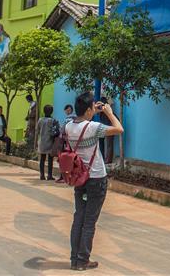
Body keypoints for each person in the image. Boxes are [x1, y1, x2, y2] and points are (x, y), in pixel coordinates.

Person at [65, 92, 123, 271]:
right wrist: (109, 112)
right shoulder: (94, 127)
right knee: (90, 221)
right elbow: (119, 129)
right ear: (89, 109)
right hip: (96, 178)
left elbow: (82, 122)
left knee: (79, 218)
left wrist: (92, 111)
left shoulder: (68, 126)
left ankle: (75, 259)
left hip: (79, 178)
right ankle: (83, 260)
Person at [35, 104, 58, 181]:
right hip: (50, 141)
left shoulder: (40, 120)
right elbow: (56, 131)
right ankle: (49, 175)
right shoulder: (53, 120)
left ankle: (42, 175)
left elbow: (37, 131)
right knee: (50, 159)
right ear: (51, 111)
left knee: (42, 159)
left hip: (42, 141)